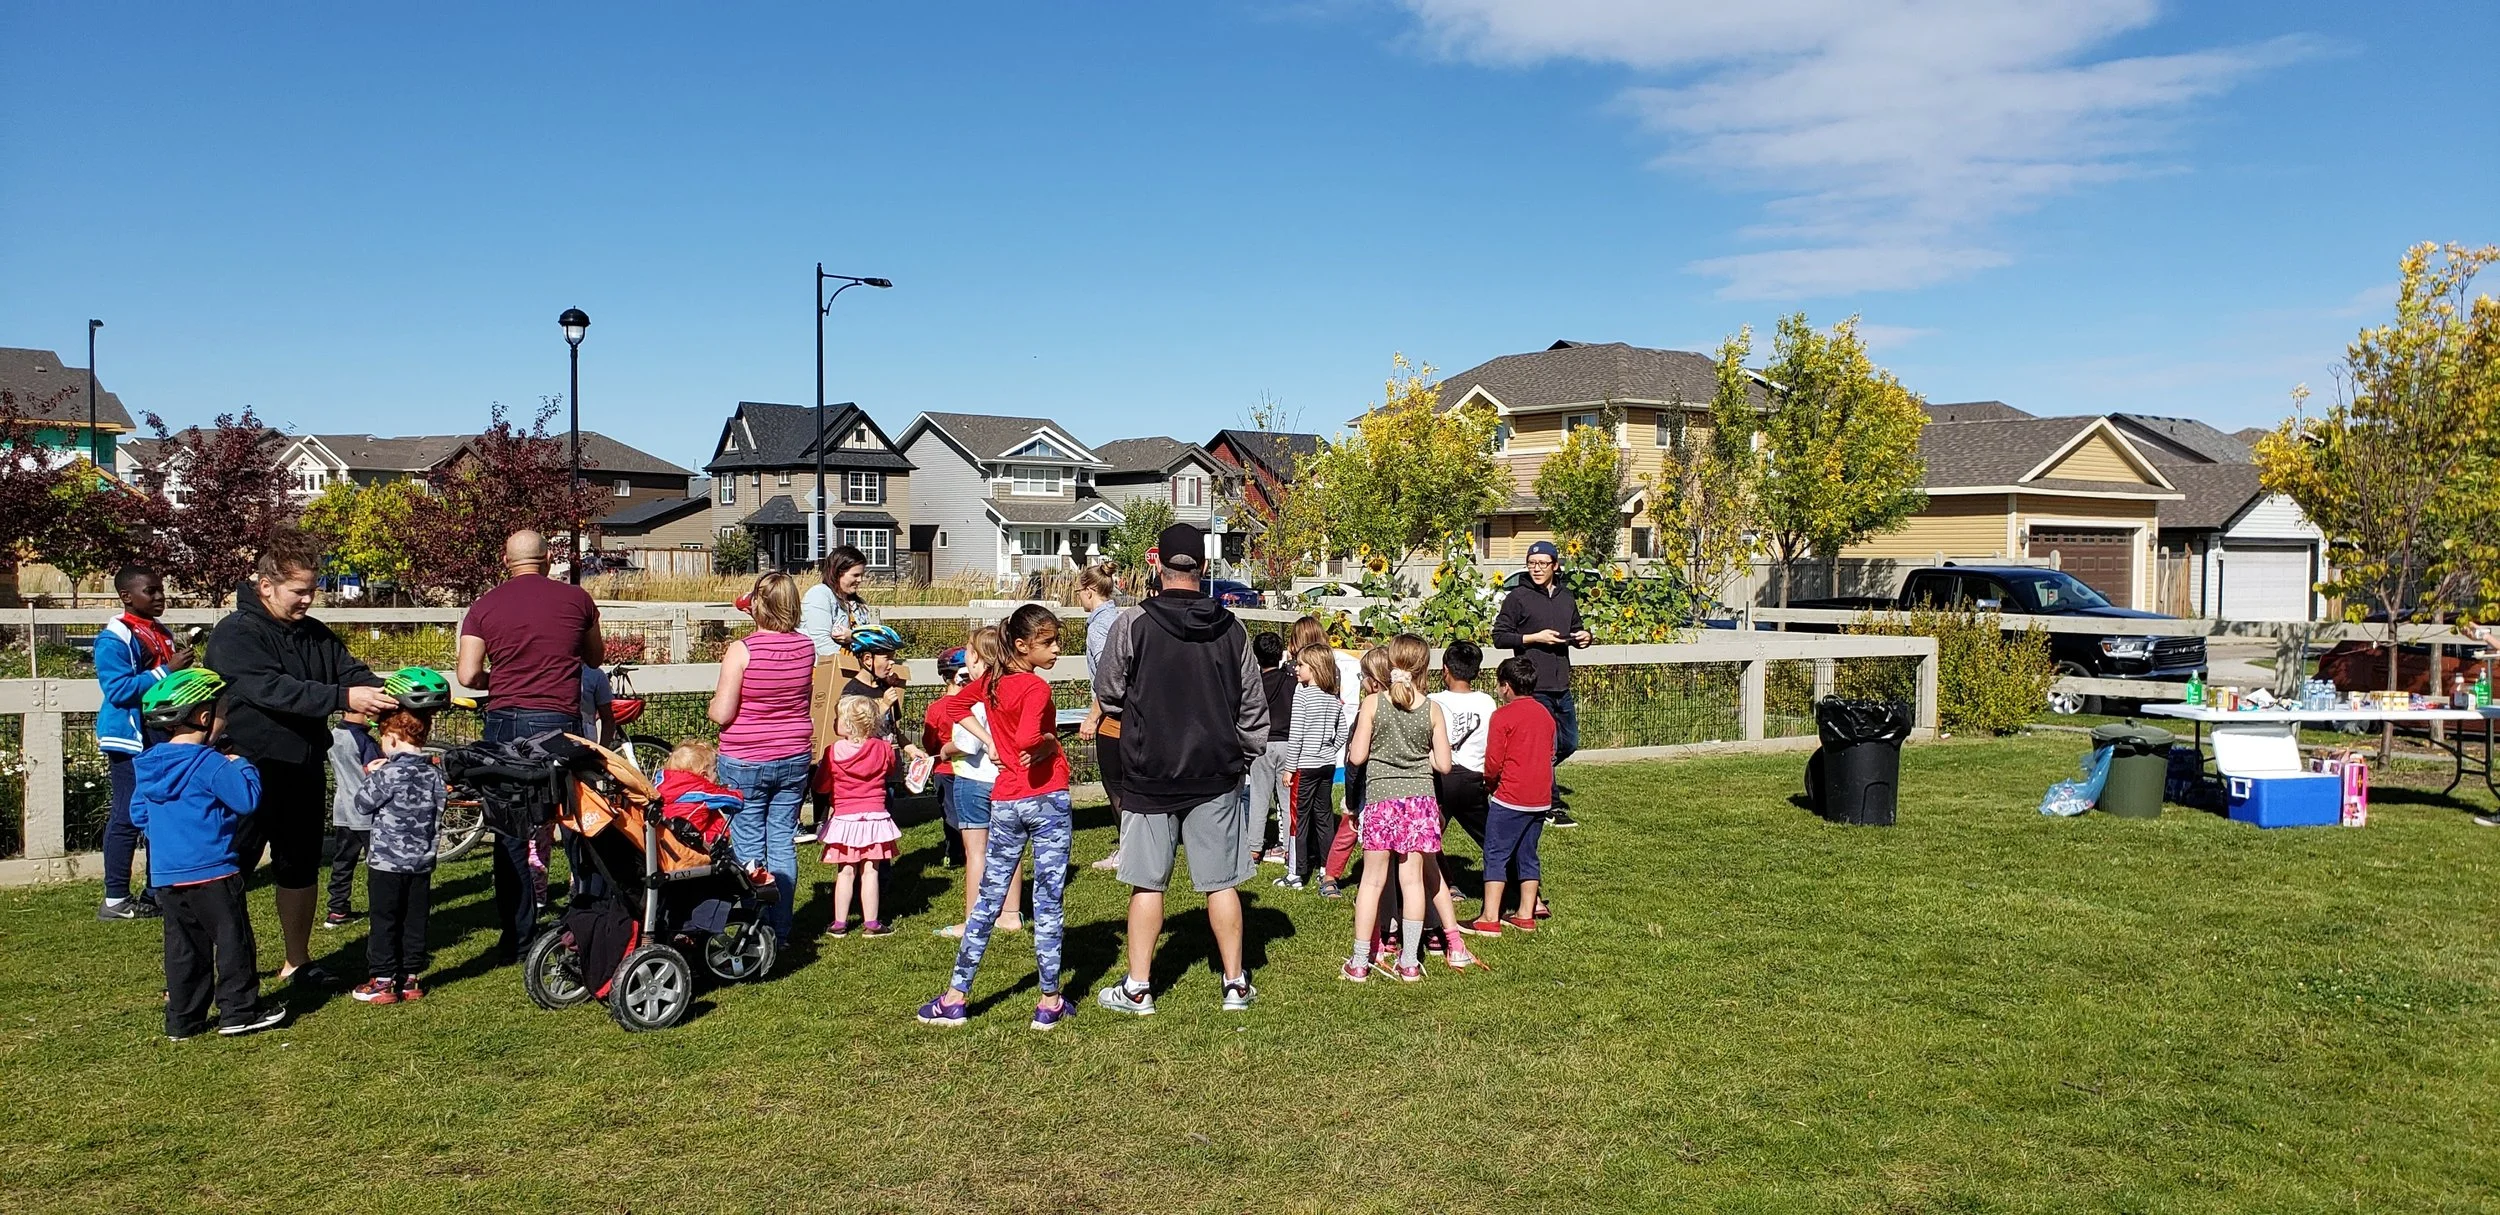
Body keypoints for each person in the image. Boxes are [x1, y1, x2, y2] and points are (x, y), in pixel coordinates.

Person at [1094, 524, 1269, 1016]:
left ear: (1158, 566)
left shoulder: (1132, 624)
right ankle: (1235, 984)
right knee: (1222, 882)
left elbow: (1109, 693)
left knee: (1148, 883)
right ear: (1205, 569)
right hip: (1215, 771)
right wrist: (1245, 758)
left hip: (1150, 771)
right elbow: (1254, 711)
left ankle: (1138, 988)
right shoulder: (1233, 629)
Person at [206, 529, 394, 986]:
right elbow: (272, 689)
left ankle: (297, 961)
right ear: (266, 586)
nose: (309, 599)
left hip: (302, 767)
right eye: (300, 591)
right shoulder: (235, 634)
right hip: (243, 769)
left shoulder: (313, 634)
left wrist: (390, 691)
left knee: (299, 865)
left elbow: (349, 670)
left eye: (313, 589)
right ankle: (204, 970)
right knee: (225, 871)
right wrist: (342, 696)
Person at [917, 603, 1077, 1031]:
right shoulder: (1036, 689)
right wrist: (1046, 742)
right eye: (1049, 643)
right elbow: (1029, 737)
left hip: (1004, 799)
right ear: (1022, 645)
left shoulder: (992, 681)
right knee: (1047, 898)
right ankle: (1049, 999)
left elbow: (954, 708)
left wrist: (990, 742)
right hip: (1045, 798)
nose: (1057, 649)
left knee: (988, 898)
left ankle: (955, 996)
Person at [454, 529, 603, 960]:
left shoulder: (484, 606)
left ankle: (517, 936)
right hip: (560, 722)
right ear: (547, 559)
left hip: (506, 722)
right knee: (577, 822)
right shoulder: (577, 601)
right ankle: (586, 916)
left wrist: (495, 680)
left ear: (506, 560)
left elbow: (467, 674)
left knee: (509, 830)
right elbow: (594, 657)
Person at [130, 668, 286, 1040]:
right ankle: (238, 1011)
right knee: (233, 943)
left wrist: (167, 836)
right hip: (214, 871)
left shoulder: (149, 764)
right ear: (204, 717)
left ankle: (183, 1020)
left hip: (168, 876)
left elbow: (139, 813)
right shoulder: (209, 763)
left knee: (184, 948)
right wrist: (242, 764)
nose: (225, 719)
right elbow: (246, 800)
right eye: (223, 713)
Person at [1341, 636, 1475, 982]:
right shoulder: (1432, 709)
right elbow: (1444, 765)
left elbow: (1356, 757)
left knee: (1371, 882)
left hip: (1381, 799)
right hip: (1419, 801)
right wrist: (1421, 755)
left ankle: (1359, 961)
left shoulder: (1372, 704)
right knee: (1413, 881)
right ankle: (1410, 961)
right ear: (1424, 666)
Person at [708, 572, 816, 945]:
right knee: (782, 840)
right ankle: (781, 929)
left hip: (747, 757)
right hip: (794, 754)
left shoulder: (742, 650)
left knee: (750, 844)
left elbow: (723, 713)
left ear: (757, 604)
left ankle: (757, 930)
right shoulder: (806, 647)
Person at [94, 564, 189, 921]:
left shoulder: (159, 632)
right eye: (151, 591)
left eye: (161, 589)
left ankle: (155, 891)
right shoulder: (114, 637)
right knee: (126, 814)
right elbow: (117, 690)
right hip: (130, 738)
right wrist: (167, 670)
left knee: (158, 811)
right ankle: (115, 899)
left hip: (159, 733)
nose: (160, 596)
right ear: (126, 596)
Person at [925, 627, 1024, 939]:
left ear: (979, 659)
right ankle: (1010, 914)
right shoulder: (1015, 688)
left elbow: (967, 743)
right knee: (1009, 847)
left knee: (977, 851)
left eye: (968, 651)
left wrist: (944, 750)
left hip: (973, 778)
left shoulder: (976, 695)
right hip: (1006, 779)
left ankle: (972, 918)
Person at [349, 704, 447, 1005]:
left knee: (384, 918)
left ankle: (382, 979)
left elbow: (362, 804)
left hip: (387, 862)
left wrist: (370, 775)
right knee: (415, 919)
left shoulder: (387, 773)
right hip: (421, 861)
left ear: (391, 738)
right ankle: (411, 977)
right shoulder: (435, 774)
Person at [1491, 539, 1590, 827]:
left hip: (1562, 683)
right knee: (1547, 747)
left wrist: (1584, 638)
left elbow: (1575, 629)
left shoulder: (1566, 597)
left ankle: (1524, 772)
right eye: (1532, 563)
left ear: (1555, 566)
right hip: (1532, 685)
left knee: (1569, 743)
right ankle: (1552, 806)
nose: (1536, 569)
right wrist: (1534, 638)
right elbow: (1499, 637)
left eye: (1542, 564)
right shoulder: (1518, 597)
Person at [799, 546, 879, 840]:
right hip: (825, 679)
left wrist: (855, 638)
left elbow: (873, 633)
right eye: (855, 575)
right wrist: (859, 650)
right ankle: (817, 816)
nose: (859, 581)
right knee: (822, 746)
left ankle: (841, 811)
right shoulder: (820, 596)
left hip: (852, 678)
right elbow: (822, 642)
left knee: (846, 745)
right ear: (838, 571)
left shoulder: (857, 604)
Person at [1473, 656, 1557, 936]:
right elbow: (1551, 753)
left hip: (1510, 796)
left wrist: (1489, 783)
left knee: (1495, 853)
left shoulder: (1502, 716)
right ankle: (1525, 912)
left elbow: (1494, 760)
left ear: (1506, 687)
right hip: (1541, 797)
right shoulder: (1545, 714)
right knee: (1528, 853)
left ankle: (1489, 917)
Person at [817, 695, 903, 938]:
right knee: (871, 870)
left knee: (845, 871)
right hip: (875, 817)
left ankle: (839, 923)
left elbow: (822, 785)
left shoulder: (833, 752)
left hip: (845, 819)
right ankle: (872, 923)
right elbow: (888, 769)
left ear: (848, 724)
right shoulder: (884, 748)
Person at [1428, 639, 1497, 912]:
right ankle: (1524, 886)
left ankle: (1444, 883)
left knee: (1427, 836)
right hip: (1473, 781)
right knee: (1492, 839)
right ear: (1477, 672)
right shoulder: (1486, 701)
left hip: (1440, 779)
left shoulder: (1433, 701)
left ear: (1445, 669)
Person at [1276, 643, 1347, 893]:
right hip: (1326, 765)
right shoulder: (1333, 698)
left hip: (1304, 766)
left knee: (1299, 818)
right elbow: (1343, 732)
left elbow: (1296, 734)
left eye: (1302, 665)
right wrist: (1329, 749)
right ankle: (1327, 869)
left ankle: (1296, 872)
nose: (1297, 668)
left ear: (1314, 668)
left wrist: (1289, 767)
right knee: (1324, 817)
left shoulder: (1302, 694)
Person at [1074, 563, 1130, 870]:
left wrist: (1092, 717)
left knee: (1116, 786)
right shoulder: (1120, 618)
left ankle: (1127, 850)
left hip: (1112, 719)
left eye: (1079, 592)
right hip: (1130, 715)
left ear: (1090, 590)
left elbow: (1109, 677)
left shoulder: (1099, 627)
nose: (1078, 598)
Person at [321, 709, 380, 930]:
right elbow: (377, 773)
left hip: (343, 808)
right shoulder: (363, 740)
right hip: (367, 810)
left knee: (342, 862)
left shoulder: (335, 734)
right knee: (378, 864)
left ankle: (337, 909)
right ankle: (381, 908)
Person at [1247, 630, 1297, 867]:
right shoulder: (1292, 682)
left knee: (1259, 797)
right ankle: (1289, 847)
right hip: (1289, 744)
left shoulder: (1254, 684)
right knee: (1286, 801)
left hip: (1262, 744)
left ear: (1256, 656)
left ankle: (1254, 848)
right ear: (1280, 654)